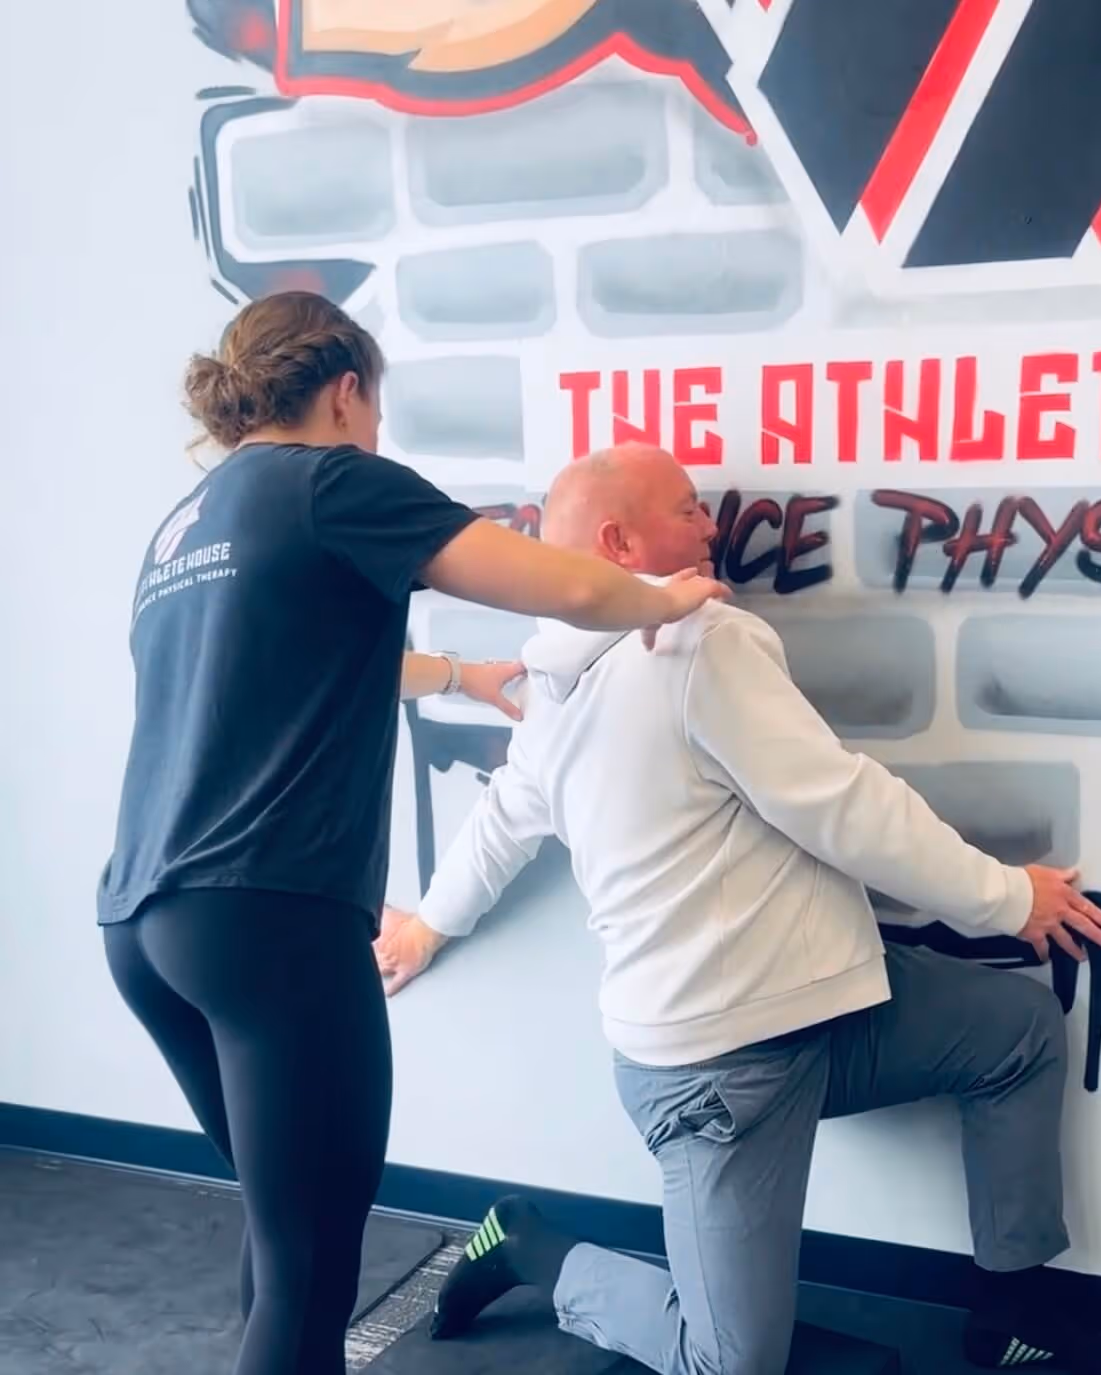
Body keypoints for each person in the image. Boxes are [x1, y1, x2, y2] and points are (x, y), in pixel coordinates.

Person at [376, 443, 1101, 1375]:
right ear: (621, 543)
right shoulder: (686, 644)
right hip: (717, 1073)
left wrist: (429, 921)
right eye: (688, 508)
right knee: (728, 1362)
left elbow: (504, 819)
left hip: (831, 1008)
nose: (712, 525)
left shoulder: (569, 675)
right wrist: (1009, 898)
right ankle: (532, 1248)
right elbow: (842, 806)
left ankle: (1014, 1311)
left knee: (1015, 1031)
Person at [96, 298, 726, 1375]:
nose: (378, 432)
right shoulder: (333, 480)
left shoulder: (189, 523)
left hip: (145, 926)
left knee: (284, 1232)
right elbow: (571, 582)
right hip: (267, 918)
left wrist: (458, 676)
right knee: (308, 1269)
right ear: (347, 392)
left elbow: (292, 654)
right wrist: (664, 598)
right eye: (377, 411)